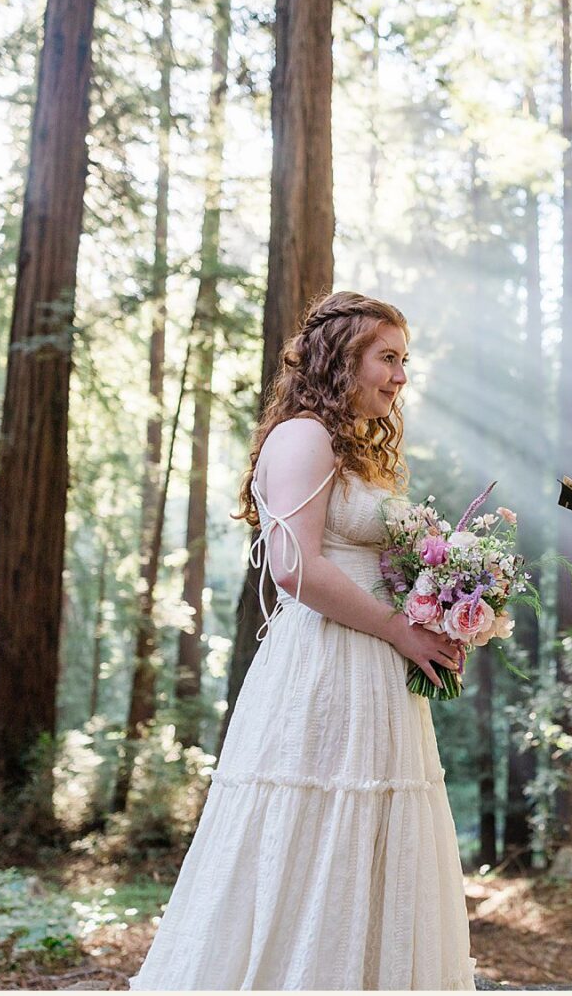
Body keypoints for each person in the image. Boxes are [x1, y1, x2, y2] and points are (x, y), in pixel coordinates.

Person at [130, 291, 475, 990]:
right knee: (313, 827)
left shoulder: (353, 447)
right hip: (328, 665)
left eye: (403, 360)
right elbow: (294, 566)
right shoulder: (303, 436)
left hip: (377, 669)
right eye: (387, 358)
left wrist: (442, 602)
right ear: (342, 355)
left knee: (368, 834)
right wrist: (398, 627)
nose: (400, 377)